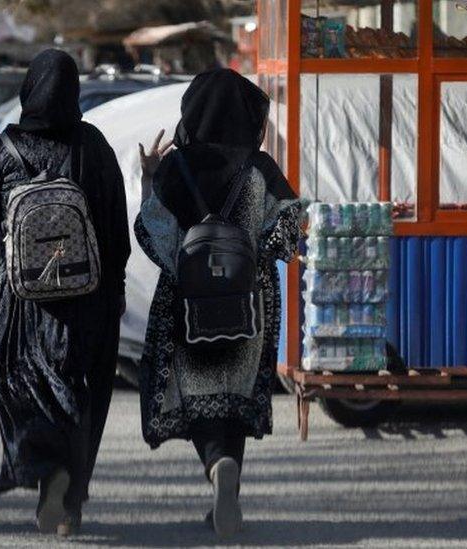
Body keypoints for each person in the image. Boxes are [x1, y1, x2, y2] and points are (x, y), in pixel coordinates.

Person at [0, 49, 130, 537]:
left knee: (21, 387)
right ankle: (69, 497)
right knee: (80, 396)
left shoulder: (1, 149)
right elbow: (115, 226)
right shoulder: (94, 146)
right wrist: (114, 286)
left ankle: (43, 473)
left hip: (20, 304)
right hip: (84, 300)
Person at [135, 69, 304, 539]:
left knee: (199, 395)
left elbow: (152, 232)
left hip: (188, 304)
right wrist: (253, 252)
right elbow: (290, 232)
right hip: (249, 303)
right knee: (234, 394)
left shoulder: (175, 167)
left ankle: (215, 464)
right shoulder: (261, 168)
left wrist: (151, 179)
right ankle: (227, 474)